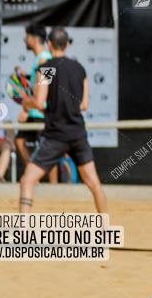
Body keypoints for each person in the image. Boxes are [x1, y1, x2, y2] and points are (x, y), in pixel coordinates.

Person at [19, 27, 107, 213]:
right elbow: (84, 105)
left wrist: (27, 103)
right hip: (77, 134)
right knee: (94, 184)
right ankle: (106, 231)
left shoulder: (47, 68)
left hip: (56, 135)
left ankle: (23, 233)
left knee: (27, 180)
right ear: (67, 45)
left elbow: (40, 102)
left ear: (49, 45)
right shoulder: (79, 69)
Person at [17, 23, 58, 183]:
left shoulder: (46, 59)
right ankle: (34, 177)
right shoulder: (40, 59)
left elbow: (47, 85)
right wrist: (26, 76)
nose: (25, 40)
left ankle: (54, 186)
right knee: (19, 141)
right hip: (34, 111)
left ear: (33, 39)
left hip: (42, 112)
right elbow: (41, 82)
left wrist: (27, 109)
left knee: (49, 150)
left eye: (27, 37)